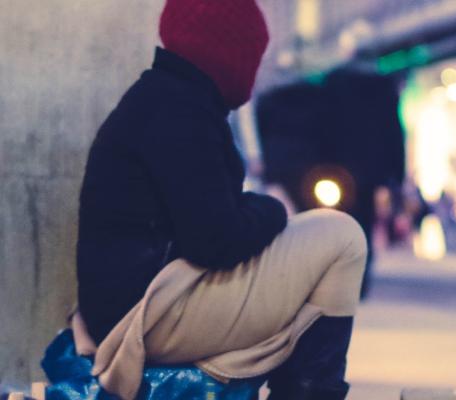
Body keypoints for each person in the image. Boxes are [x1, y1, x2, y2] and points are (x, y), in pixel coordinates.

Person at [74, 1, 366, 399]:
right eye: (251, 55)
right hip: (143, 318)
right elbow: (217, 239)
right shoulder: (179, 111)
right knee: (342, 236)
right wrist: (273, 207)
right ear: (226, 50)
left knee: (319, 238)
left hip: (144, 302)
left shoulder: (166, 99)